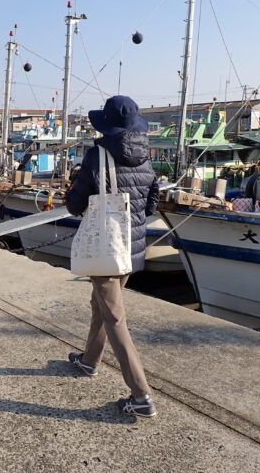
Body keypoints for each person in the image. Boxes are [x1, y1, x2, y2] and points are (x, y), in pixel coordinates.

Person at [64, 95, 160, 418]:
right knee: (102, 305)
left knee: (115, 317)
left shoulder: (97, 155)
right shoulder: (146, 158)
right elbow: (150, 205)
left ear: (108, 126)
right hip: (131, 249)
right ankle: (90, 360)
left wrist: (71, 192)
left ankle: (141, 394)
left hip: (106, 245)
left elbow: (76, 205)